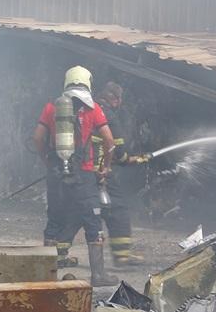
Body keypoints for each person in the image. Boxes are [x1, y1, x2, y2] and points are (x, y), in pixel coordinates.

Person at [33, 66, 118, 287]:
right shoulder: (94, 108)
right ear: (88, 83)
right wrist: (105, 168)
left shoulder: (52, 106)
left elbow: (38, 138)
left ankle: (45, 274)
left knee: (54, 219)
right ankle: (98, 275)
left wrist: (46, 163)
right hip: (85, 174)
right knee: (92, 221)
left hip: (56, 173)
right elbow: (109, 141)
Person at [91, 81, 145, 267]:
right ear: (113, 98)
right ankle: (122, 255)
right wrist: (131, 160)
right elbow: (117, 150)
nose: (119, 102)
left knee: (76, 211)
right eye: (117, 98)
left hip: (81, 170)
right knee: (118, 209)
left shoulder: (86, 110)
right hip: (101, 171)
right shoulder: (109, 116)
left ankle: (60, 254)